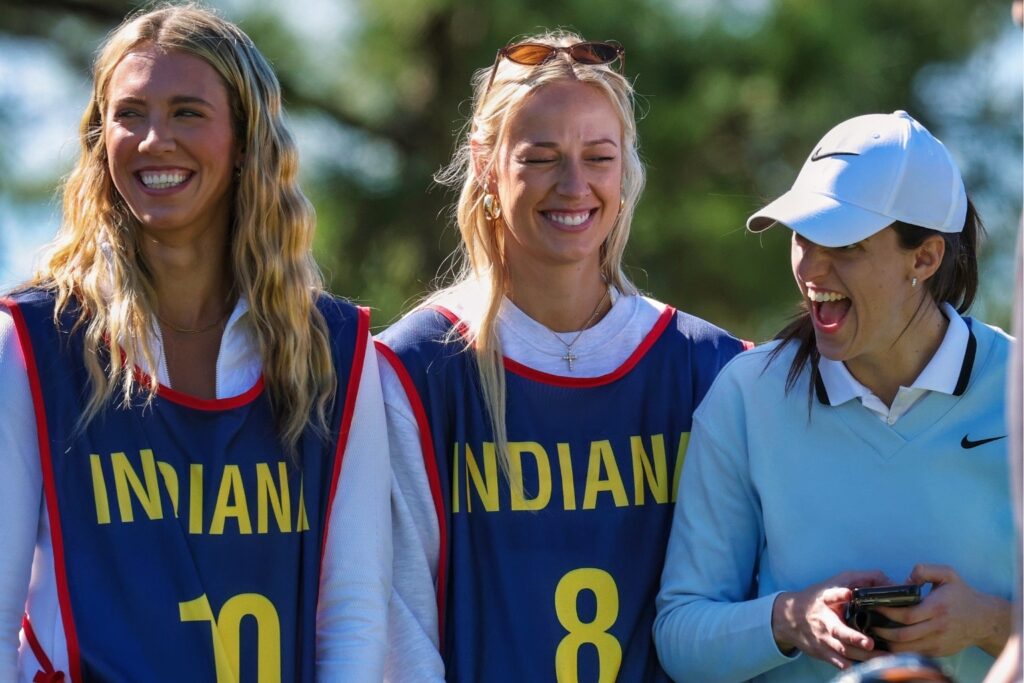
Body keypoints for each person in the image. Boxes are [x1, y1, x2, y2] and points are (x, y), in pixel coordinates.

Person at [0, 6, 390, 681]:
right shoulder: (33, 343)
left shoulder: (338, 349)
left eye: (187, 112)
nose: (155, 140)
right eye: (129, 114)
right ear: (100, 139)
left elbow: (352, 616)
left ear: (244, 141)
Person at [376, 30, 749, 682]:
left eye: (598, 157)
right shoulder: (412, 368)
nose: (574, 185)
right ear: (486, 165)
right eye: (541, 157)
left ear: (625, 170)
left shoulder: (715, 367)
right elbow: (396, 627)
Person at [654, 111, 1014, 683]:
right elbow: (680, 637)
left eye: (844, 244)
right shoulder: (746, 396)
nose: (811, 268)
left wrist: (991, 623)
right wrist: (790, 620)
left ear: (924, 258)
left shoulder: (1016, 388)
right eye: (803, 237)